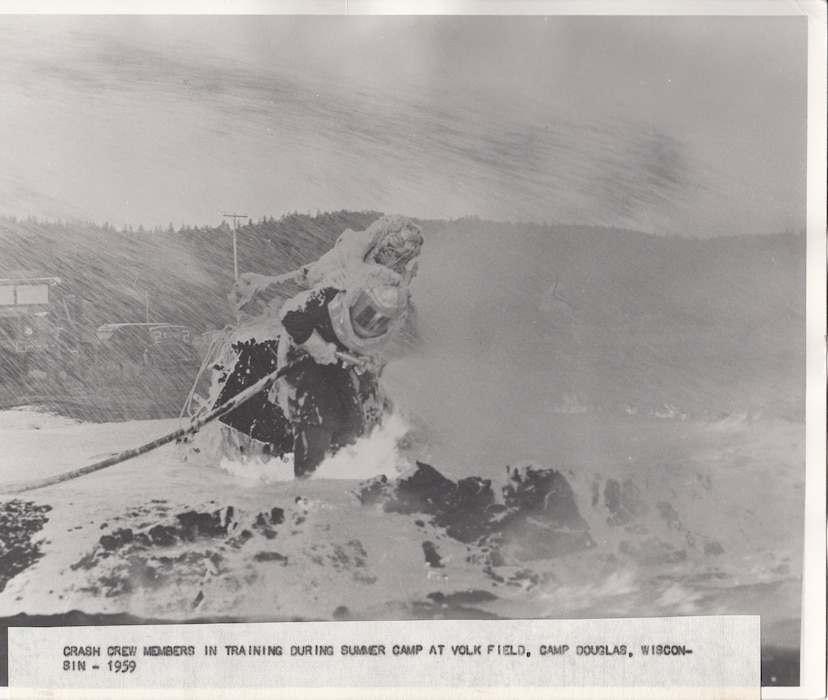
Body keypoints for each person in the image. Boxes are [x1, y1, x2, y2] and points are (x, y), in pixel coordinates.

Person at [273, 266, 409, 477]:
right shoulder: (329, 295)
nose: (371, 322)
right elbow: (289, 314)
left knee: (350, 421)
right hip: (302, 358)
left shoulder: (377, 331)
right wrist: (315, 344)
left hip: (336, 365)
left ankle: (337, 475)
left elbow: (364, 348)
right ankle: (308, 478)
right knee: (317, 413)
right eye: (367, 312)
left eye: (380, 320)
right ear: (357, 298)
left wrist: (362, 361)